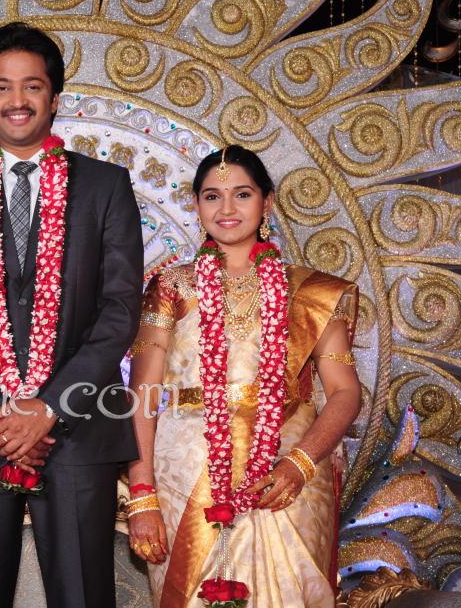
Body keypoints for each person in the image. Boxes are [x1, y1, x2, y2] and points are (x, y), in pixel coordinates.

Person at [0, 22, 144, 608]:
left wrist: (50, 407)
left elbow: (119, 310)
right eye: (2, 87)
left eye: (32, 86)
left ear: (54, 97)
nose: (17, 100)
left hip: (79, 432)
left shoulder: (106, 187)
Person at [126, 145, 362, 607]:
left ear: (267, 201)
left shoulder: (314, 291)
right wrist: (142, 494)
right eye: (212, 196)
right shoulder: (171, 287)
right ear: (196, 205)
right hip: (186, 469)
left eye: (242, 194)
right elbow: (142, 393)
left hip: (287, 469)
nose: (227, 209)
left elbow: (344, 391)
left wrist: (300, 463)